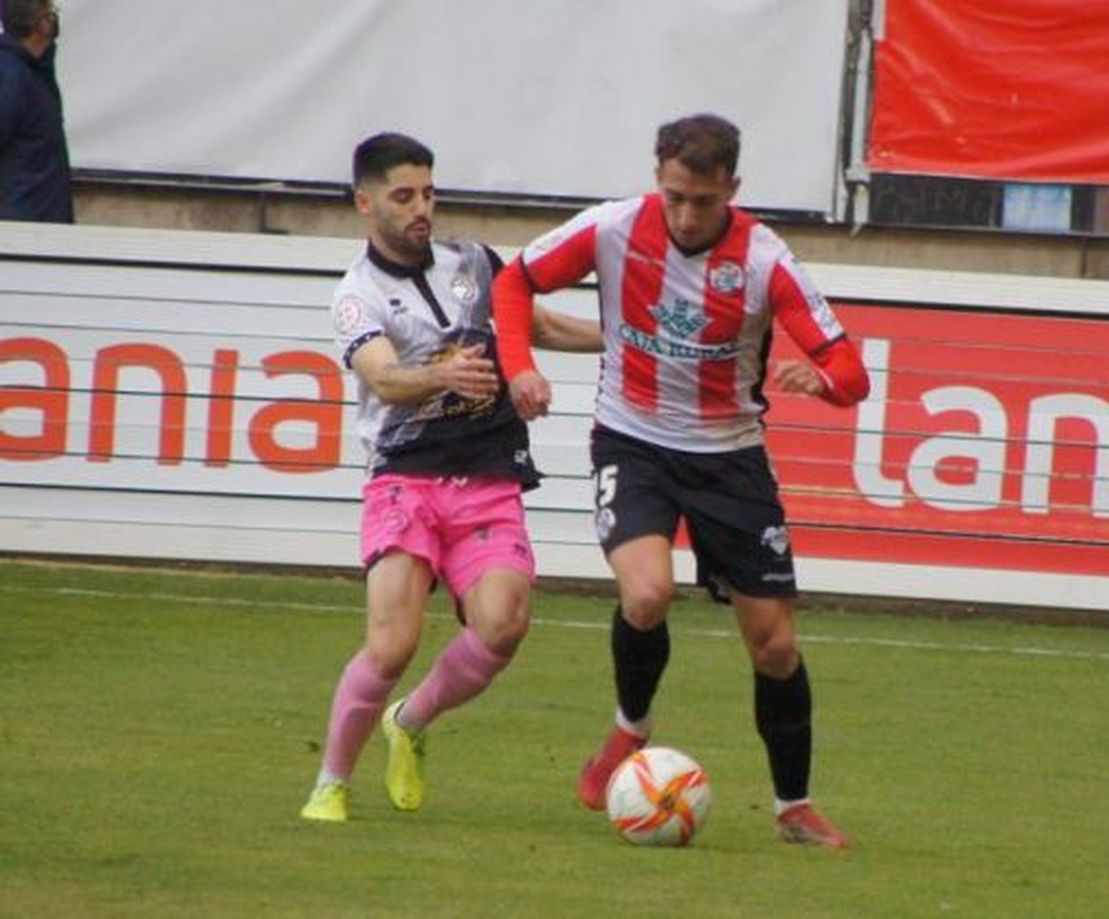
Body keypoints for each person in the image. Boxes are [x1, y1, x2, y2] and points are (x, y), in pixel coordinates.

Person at [492, 113, 869, 849]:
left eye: (703, 200)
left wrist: (820, 380)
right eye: (674, 196)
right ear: (657, 180)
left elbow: (853, 371)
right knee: (646, 592)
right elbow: (514, 281)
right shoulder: (611, 229)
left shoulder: (764, 259)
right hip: (633, 444)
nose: (687, 214)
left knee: (775, 647)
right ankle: (630, 727)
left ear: (733, 188)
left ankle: (794, 805)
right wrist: (520, 367)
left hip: (731, 459)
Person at [299, 132, 599, 822]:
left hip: (488, 475)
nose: (420, 208)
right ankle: (331, 782)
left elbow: (539, 324)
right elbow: (380, 375)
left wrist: (626, 336)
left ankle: (409, 720)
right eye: (403, 196)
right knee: (392, 643)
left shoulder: (473, 261)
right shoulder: (356, 294)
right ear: (365, 202)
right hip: (404, 479)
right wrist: (441, 373)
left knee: (503, 623)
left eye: (428, 192)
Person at [0, 0, 72, 222]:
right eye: (51, 12)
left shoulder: (33, 71)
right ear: (41, 24)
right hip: (22, 223)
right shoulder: (11, 77)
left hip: (39, 218)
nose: (55, 17)